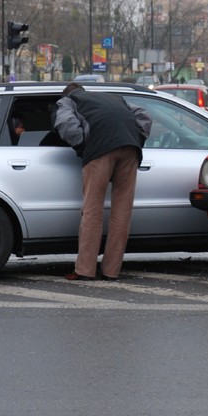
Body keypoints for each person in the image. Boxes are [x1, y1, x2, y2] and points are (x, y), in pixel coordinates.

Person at [53, 82, 152, 280]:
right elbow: (144, 117)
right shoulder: (113, 98)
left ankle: (85, 270)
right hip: (130, 149)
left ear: (67, 94)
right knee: (122, 212)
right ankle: (111, 271)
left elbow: (67, 126)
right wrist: (135, 139)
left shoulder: (69, 101)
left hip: (100, 151)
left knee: (92, 211)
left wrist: (84, 146)